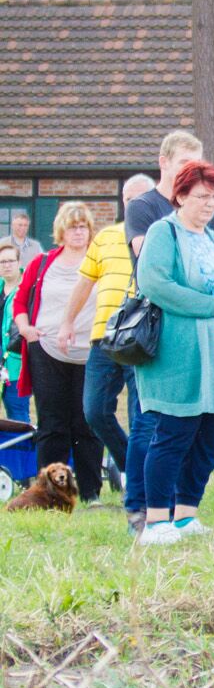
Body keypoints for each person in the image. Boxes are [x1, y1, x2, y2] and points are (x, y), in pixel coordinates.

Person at [133, 161, 214, 545]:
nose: (209, 204)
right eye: (202, 196)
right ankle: (155, 521)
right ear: (181, 195)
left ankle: (186, 515)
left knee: (208, 439)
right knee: (174, 435)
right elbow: (155, 283)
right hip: (184, 355)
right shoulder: (163, 232)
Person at [57, 174, 155, 529]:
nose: (136, 206)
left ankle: (139, 498)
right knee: (94, 410)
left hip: (145, 341)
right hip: (106, 337)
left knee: (142, 418)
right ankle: (130, 464)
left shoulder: (162, 235)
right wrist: (67, 322)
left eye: (143, 198)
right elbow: (85, 283)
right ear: (123, 203)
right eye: (130, 200)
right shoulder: (106, 237)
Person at [10, 203, 103, 502]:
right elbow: (20, 303)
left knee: (87, 423)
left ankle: (90, 493)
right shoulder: (42, 263)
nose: (78, 232)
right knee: (52, 424)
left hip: (90, 354)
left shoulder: (100, 262)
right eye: (72, 226)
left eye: (83, 226)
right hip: (47, 351)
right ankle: (50, 494)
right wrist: (26, 330)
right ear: (61, 230)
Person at [126, 131, 214, 262]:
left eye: (196, 164)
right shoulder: (141, 206)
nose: (192, 170)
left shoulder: (205, 207)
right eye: (185, 163)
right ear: (164, 162)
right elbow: (149, 257)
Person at [0, 241, 27, 423]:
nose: (7, 265)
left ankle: (22, 452)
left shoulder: (27, 289)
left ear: (18, 262)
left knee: (17, 415)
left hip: (15, 364)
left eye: (11, 261)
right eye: (2, 262)